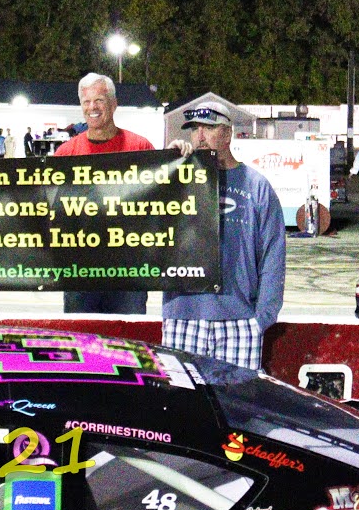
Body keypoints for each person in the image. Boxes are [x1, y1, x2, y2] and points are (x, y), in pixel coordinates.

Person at [162, 104, 286, 370]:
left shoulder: (257, 187)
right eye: (195, 129)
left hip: (239, 321)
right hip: (182, 317)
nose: (200, 136)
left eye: (208, 128)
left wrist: (260, 319)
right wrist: (165, 164)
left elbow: (273, 256)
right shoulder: (176, 179)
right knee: (184, 397)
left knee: (238, 396)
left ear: (227, 134)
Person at [56, 74, 162, 316]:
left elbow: (163, 203)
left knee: (127, 337)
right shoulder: (66, 153)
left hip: (129, 274)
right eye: (86, 102)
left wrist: (181, 158)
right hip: (80, 272)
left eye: (99, 100)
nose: (92, 107)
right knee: (82, 337)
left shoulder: (140, 148)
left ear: (114, 104)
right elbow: (49, 210)